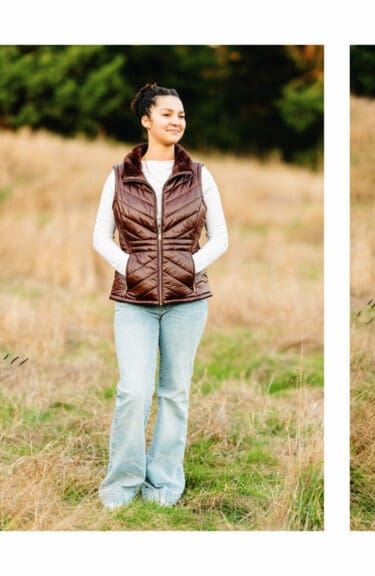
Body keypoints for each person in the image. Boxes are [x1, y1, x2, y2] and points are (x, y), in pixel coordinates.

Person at [92, 82, 228, 509]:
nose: (177, 121)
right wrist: (131, 268)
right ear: (146, 120)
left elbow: (220, 238)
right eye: (168, 114)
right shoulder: (119, 176)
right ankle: (122, 482)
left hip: (188, 302)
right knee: (134, 390)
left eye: (182, 115)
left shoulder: (201, 175)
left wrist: (189, 267)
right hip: (133, 301)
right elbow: (101, 237)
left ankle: (165, 481)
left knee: (174, 391)